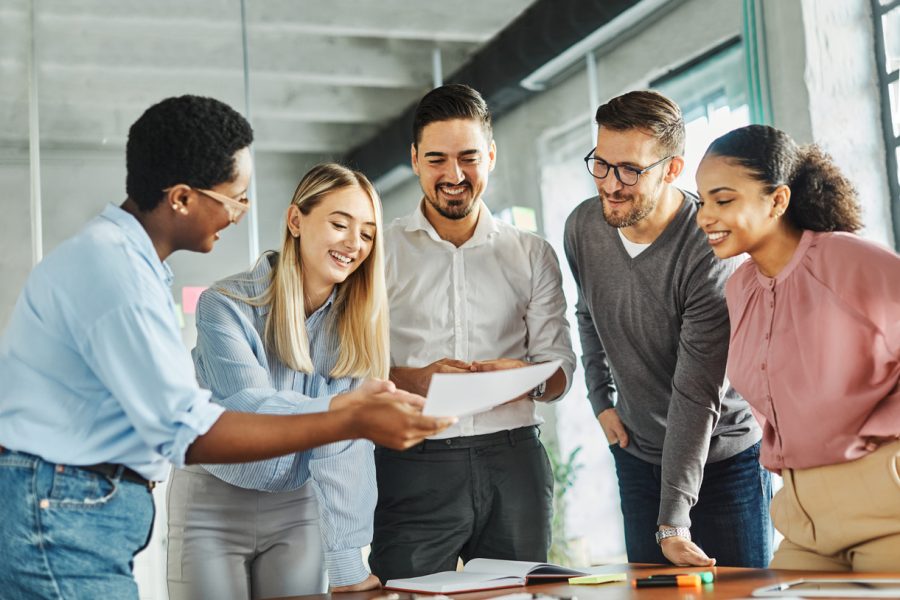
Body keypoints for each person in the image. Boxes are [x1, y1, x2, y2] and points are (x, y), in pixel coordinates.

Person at [0, 95, 453, 600]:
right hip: (65, 509)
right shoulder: (121, 276)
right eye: (234, 198)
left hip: (80, 507)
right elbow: (189, 429)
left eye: (367, 233)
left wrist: (347, 554)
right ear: (181, 198)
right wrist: (348, 416)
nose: (240, 214)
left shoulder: (130, 267)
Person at [368, 84, 576, 582]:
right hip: (412, 463)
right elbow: (349, 365)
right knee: (406, 593)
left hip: (514, 463)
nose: (454, 176)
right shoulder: (378, 252)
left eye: (469, 158)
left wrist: (524, 377)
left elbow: (561, 370)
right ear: (415, 160)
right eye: (437, 159)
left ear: (491, 156)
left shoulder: (531, 253)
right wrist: (415, 380)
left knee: (516, 594)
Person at [563, 90, 770, 568]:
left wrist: (674, 522)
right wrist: (600, 398)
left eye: (630, 170)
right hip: (638, 454)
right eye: (601, 164)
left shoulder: (709, 251)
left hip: (723, 460)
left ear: (672, 169)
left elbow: (696, 394)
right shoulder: (583, 227)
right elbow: (587, 312)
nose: (610, 184)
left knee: (739, 595)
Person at [167, 163, 390, 599]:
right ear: (295, 221)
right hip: (212, 501)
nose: (354, 243)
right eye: (340, 224)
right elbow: (250, 408)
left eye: (367, 233)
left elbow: (342, 450)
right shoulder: (224, 305)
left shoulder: (357, 325)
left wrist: (347, 565)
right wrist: (341, 412)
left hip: (298, 506)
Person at [696, 124, 900, 571]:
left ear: (778, 200)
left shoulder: (848, 260)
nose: (704, 217)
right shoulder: (739, 289)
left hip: (885, 507)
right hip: (800, 518)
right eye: (702, 202)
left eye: (723, 200)